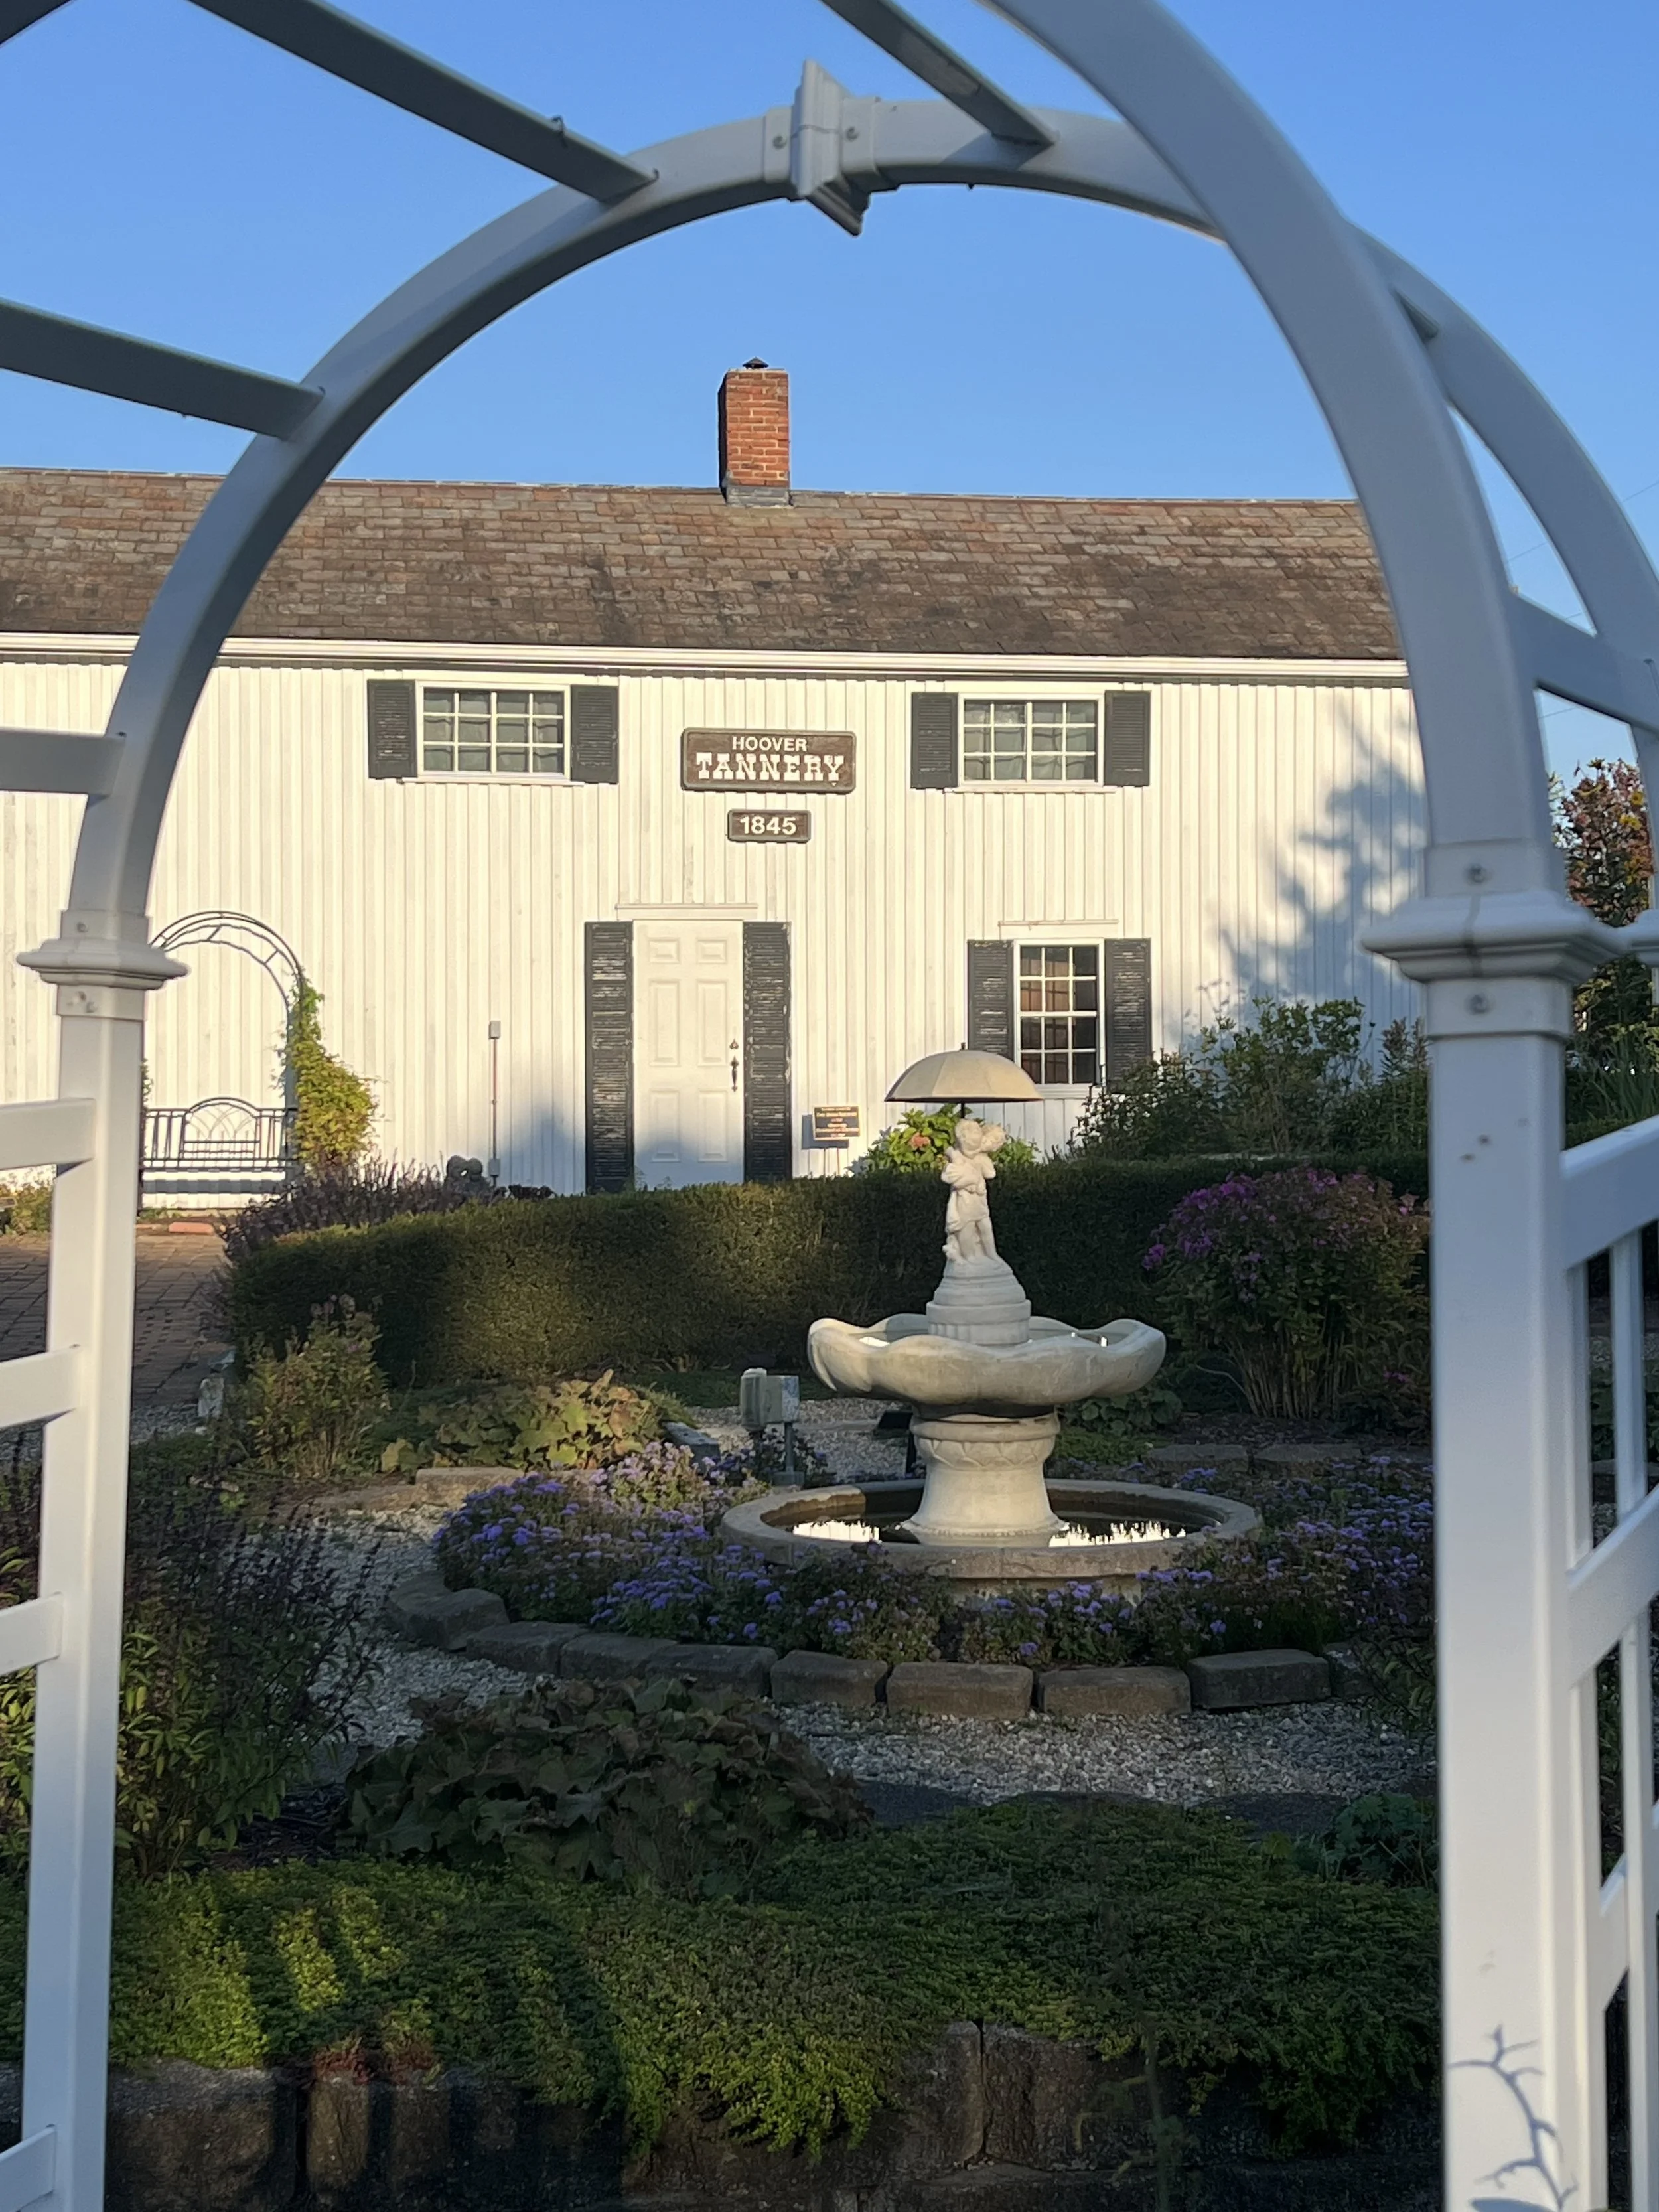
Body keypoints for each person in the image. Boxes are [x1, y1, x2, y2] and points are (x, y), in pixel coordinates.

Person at [941, 1116, 1006, 1263]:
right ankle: (969, 1257)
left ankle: (992, 1254)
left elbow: (990, 1174)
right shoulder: (957, 1155)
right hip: (965, 1200)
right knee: (967, 1227)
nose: (979, 1135)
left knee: (986, 1227)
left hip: (979, 1199)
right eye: (975, 1132)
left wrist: (982, 1156)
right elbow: (950, 1177)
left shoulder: (981, 1157)